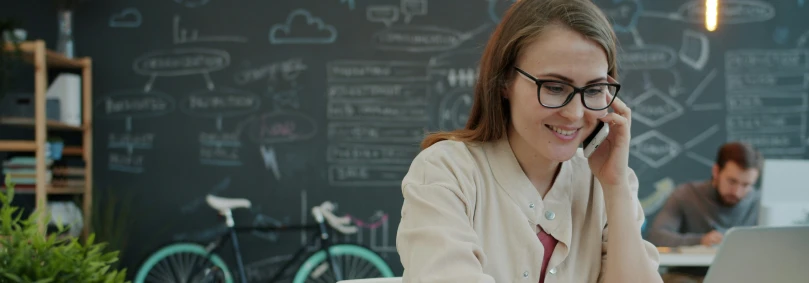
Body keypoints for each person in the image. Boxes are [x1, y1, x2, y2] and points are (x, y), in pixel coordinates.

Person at [395, 0, 662, 282]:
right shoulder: (446, 172)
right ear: (504, 81)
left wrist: (616, 188)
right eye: (555, 87)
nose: (575, 114)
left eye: (594, 89)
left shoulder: (609, 184)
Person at [648, 142, 763, 283]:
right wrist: (701, 241)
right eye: (732, 181)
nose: (737, 192)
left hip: (738, 276)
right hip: (687, 276)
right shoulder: (686, 194)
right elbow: (656, 237)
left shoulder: (760, 203)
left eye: (746, 185)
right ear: (716, 171)